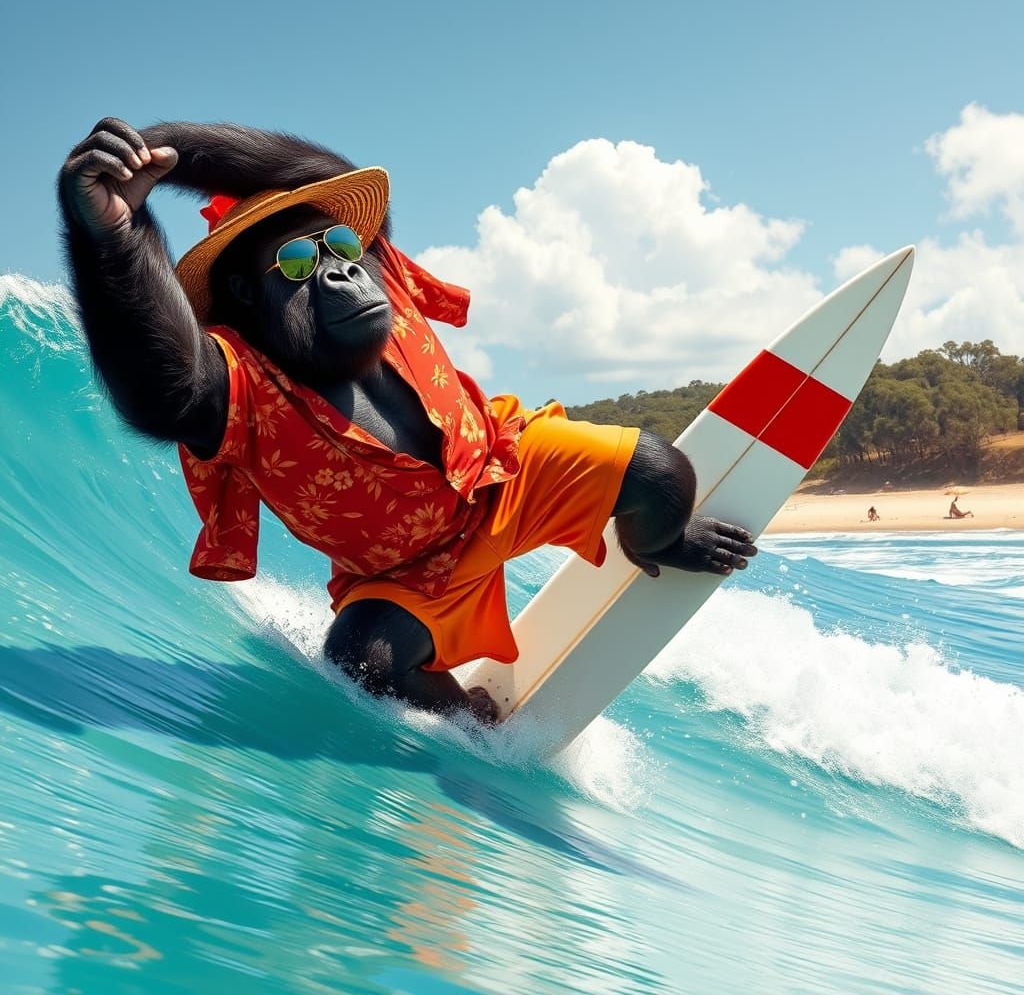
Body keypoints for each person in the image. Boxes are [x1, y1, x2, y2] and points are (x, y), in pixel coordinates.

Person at [58, 118, 758, 726]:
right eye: (298, 264)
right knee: (359, 663)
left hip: (503, 473)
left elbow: (307, 170)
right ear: (247, 293)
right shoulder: (240, 384)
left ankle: (654, 542)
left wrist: (165, 147)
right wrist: (115, 234)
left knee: (663, 477)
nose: (337, 271)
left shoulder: (375, 269)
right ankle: (466, 716)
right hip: (408, 575)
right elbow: (161, 386)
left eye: (337, 246)